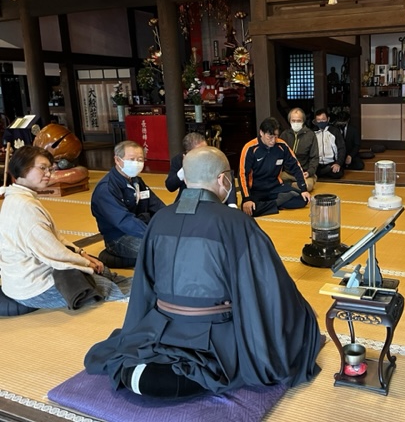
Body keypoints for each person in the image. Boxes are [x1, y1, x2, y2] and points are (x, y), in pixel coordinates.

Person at [84, 146, 322, 398]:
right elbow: (269, 284)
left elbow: (144, 286)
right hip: (215, 336)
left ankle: (148, 368)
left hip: (159, 327)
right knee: (301, 318)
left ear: (185, 178)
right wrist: (301, 311)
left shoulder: (160, 219)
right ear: (223, 179)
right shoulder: (236, 222)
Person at [0, 146, 128, 309]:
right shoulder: (25, 207)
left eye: (49, 169)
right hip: (33, 287)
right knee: (105, 286)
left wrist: (82, 254)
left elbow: (55, 238)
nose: (48, 174)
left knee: (103, 270)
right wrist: (85, 264)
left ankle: (144, 286)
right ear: (23, 168)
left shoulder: (17, 197)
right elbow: (53, 252)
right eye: (42, 168)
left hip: (30, 275)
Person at [91, 141, 165, 259]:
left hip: (141, 229)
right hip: (119, 237)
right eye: (132, 159)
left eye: (140, 159)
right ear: (117, 160)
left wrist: (171, 222)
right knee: (159, 250)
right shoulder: (106, 189)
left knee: (172, 241)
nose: (136, 163)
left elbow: (157, 206)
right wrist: (151, 234)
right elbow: (124, 221)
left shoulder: (137, 181)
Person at [239, 117, 311, 217]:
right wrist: (247, 198)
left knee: (303, 199)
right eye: (270, 137)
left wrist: (303, 189)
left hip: (275, 187)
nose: (273, 141)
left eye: (276, 136)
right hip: (256, 190)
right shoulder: (250, 148)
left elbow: (295, 166)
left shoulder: (282, 145)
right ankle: (278, 203)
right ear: (261, 133)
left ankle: (269, 205)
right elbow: (242, 175)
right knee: (250, 210)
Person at [165, 133, 239, 207]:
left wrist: (232, 203)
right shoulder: (178, 160)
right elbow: (170, 186)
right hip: (188, 200)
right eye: (200, 151)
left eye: (206, 148)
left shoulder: (215, 156)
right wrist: (184, 169)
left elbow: (228, 178)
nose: (205, 153)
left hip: (215, 199)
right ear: (188, 152)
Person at [280, 108, 319, 191]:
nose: (296, 123)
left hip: (304, 173)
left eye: (298, 121)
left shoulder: (310, 135)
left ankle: (287, 186)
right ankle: (290, 186)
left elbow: (314, 157)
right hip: (287, 172)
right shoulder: (284, 134)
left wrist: (309, 172)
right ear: (289, 121)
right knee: (271, 181)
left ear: (303, 121)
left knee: (307, 186)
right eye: (293, 121)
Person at [313, 109, 346, 179]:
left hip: (331, 162)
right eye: (318, 120)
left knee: (338, 173)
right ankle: (323, 172)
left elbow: (341, 148)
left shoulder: (335, 131)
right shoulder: (312, 133)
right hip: (317, 163)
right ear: (315, 121)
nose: (321, 122)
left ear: (328, 119)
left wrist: (338, 163)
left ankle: (322, 172)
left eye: (323, 119)